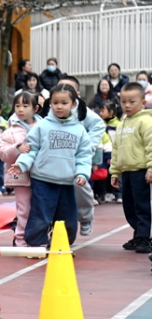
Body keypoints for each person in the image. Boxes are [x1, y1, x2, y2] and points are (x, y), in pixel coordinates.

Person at [9, 84, 93, 247]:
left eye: (64, 103)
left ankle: (62, 242)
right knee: (41, 214)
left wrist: (82, 174)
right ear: (50, 104)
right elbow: (31, 148)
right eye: (55, 103)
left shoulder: (79, 130)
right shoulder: (42, 126)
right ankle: (36, 243)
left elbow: (83, 155)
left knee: (67, 217)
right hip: (43, 179)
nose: (59, 106)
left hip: (67, 182)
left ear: (74, 104)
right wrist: (22, 164)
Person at [57, 75, 108, 236]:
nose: (63, 91)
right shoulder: (52, 109)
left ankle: (85, 217)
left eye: (68, 89)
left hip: (76, 159)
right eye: (60, 88)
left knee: (79, 184)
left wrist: (87, 148)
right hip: (54, 158)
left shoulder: (82, 111)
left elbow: (98, 125)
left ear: (77, 95)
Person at [109, 82, 152, 253]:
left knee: (141, 204)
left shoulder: (146, 122)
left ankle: (144, 237)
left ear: (143, 102)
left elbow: (150, 146)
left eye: (132, 102)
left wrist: (150, 168)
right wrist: (114, 172)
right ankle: (138, 235)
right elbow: (116, 149)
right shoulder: (122, 124)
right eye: (123, 101)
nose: (127, 105)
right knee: (129, 205)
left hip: (140, 171)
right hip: (126, 172)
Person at [0, 91, 42, 247]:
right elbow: (2, 153)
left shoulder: (44, 127)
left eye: (25, 105)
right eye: (17, 106)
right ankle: (21, 240)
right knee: (24, 210)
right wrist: (16, 148)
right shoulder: (10, 132)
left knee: (41, 208)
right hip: (21, 178)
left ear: (35, 108)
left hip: (42, 176)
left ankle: (39, 239)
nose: (21, 109)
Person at [99, 100, 122, 203]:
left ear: (111, 112)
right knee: (104, 174)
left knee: (116, 173)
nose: (100, 113)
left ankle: (118, 194)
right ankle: (104, 194)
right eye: (100, 111)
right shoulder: (99, 124)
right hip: (103, 153)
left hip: (116, 153)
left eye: (103, 111)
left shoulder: (118, 125)